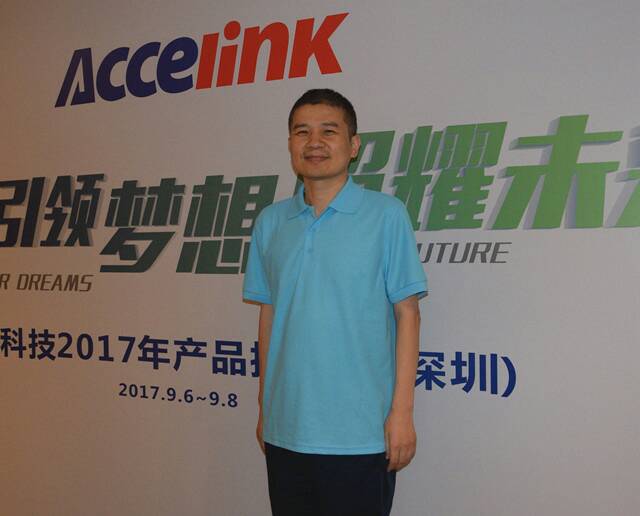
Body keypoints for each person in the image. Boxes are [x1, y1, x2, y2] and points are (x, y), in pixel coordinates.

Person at [243, 89, 427, 516]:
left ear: (353, 144)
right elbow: (269, 318)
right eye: (302, 132)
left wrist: (401, 413)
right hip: (286, 428)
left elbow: (408, 314)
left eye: (329, 131)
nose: (314, 143)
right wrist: (265, 407)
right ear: (290, 143)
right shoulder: (271, 222)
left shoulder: (385, 215)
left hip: (359, 433)